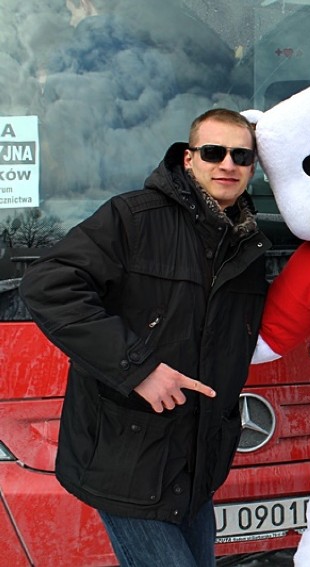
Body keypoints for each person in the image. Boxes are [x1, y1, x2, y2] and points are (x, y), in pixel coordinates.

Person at [20, 108, 270, 566]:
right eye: (214, 152)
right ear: (189, 158)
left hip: (195, 466)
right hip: (128, 459)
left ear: (253, 167)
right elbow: (47, 285)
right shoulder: (133, 217)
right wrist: (140, 369)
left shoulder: (249, 245)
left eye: (241, 155)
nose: (228, 164)